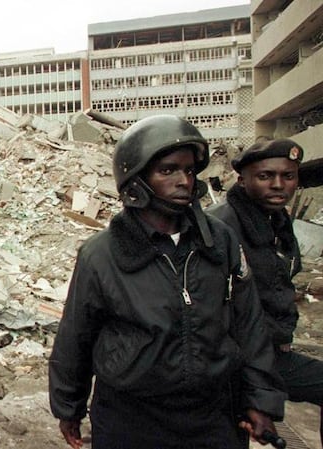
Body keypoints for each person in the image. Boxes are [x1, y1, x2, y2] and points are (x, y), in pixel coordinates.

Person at [48, 115, 286, 449]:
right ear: (136, 178)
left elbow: (249, 325)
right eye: (168, 170)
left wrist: (261, 400)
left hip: (212, 417)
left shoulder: (220, 241)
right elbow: (76, 335)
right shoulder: (101, 255)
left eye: (189, 170)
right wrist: (68, 407)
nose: (184, 181)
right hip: (130, 419)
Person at [208, 138, 323, 447]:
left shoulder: (276, 221)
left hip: (271, 351)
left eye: (288, 176)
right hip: (240, 358)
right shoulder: (223, 225)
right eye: (265, 176)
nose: (278, 185)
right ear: (242, 179)